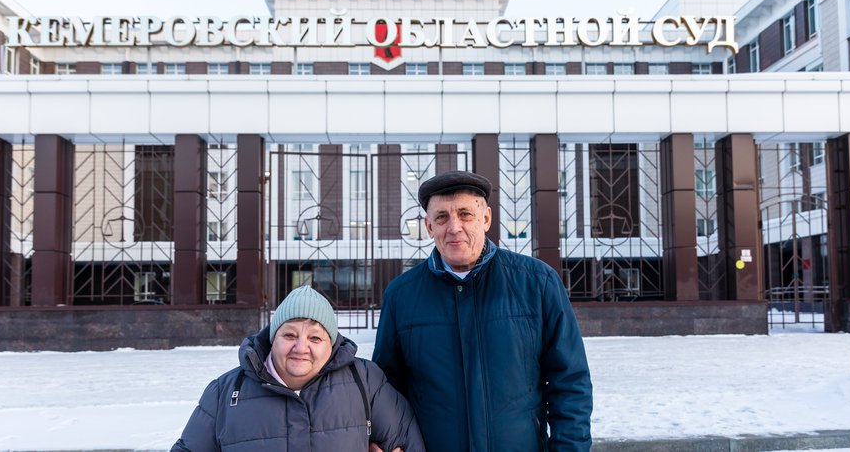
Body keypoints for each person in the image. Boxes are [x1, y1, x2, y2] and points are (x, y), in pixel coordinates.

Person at [373, 170, 593, 452]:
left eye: (465, 214)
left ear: (485, 218)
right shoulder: (401, 296)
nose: (454, 227)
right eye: (442, 217)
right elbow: (387, 389)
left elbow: (570, 383)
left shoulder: (537, 283)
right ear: (429, 226)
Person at [172, 285, 425, 452]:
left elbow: (408, 445)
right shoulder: (225, 393)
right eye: (290, 335)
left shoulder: (365, 382)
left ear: (331, 344)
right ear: (273, 338)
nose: (301, 347)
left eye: (315, 338)